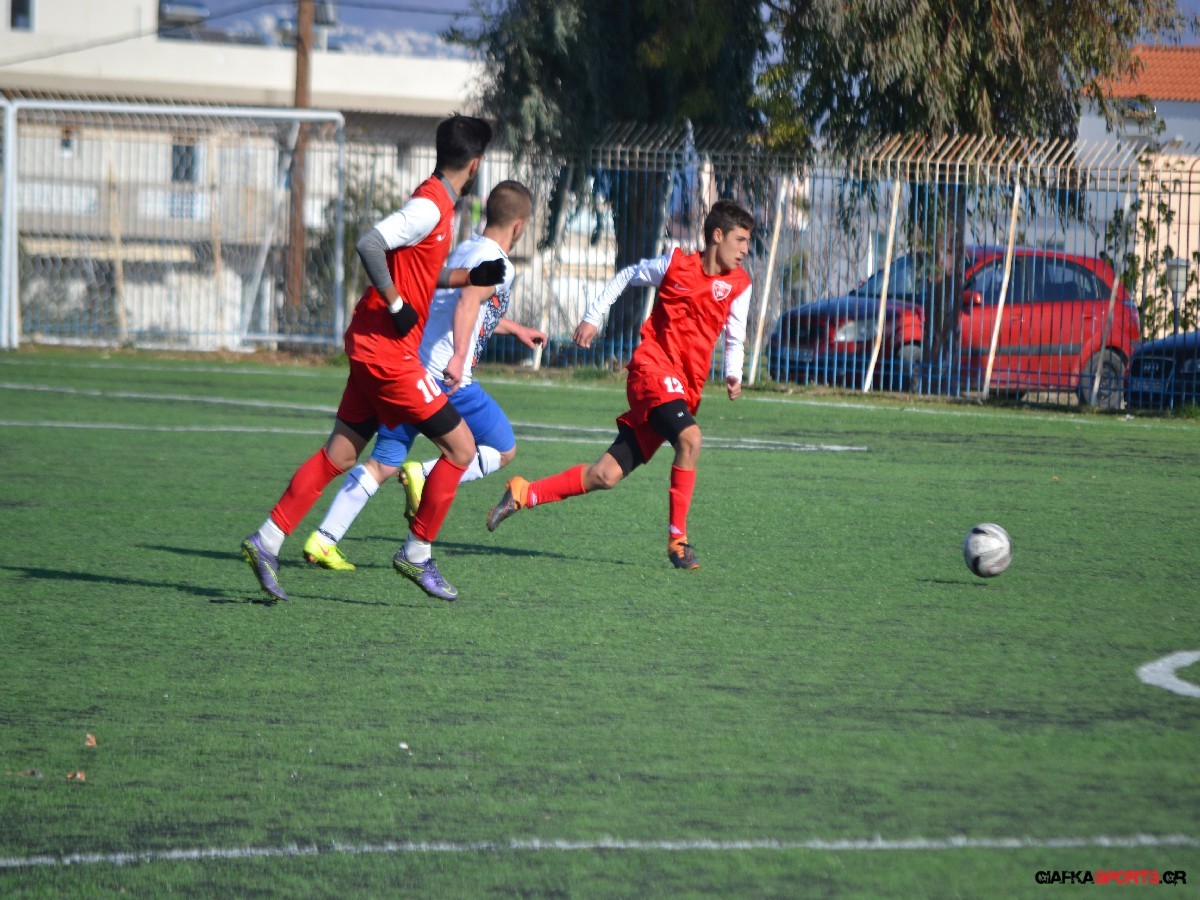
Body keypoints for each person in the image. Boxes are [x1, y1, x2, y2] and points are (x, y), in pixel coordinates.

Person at [241, 113, 495, 604]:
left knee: (340, 455)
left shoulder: (436, 203)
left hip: (371, 348)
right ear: (476, 164)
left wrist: (464, 278)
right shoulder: (430, 205)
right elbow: (370, 243)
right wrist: (397, 306)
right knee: (462, 450)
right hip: (389, 356)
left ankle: (267, 540)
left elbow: (415, 270)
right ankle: (417, 553)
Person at [486, 199, 754, 570]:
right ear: (717, 235)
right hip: (652, 371)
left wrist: (733, 372)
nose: (745, 249)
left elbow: (735, 336)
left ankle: (523, 492)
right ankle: (678, 541)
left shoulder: (739, 284)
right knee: (691, 439)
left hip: (684, 389)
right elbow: (628, 275)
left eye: (747, 242)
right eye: (740, 240)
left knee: (605, 475)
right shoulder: (675, 265)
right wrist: (593, 317)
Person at [301, 180, 545, 570]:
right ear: (520, 225)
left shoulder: (466, 249)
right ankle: (424, 475)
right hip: (448, 379)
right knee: (502, 449)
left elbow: (465, 307)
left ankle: (324, 540)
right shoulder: (500, 263)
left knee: (382, 463)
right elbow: (468, 303)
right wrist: (459, 357)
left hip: (411, 372)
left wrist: (514, 328)